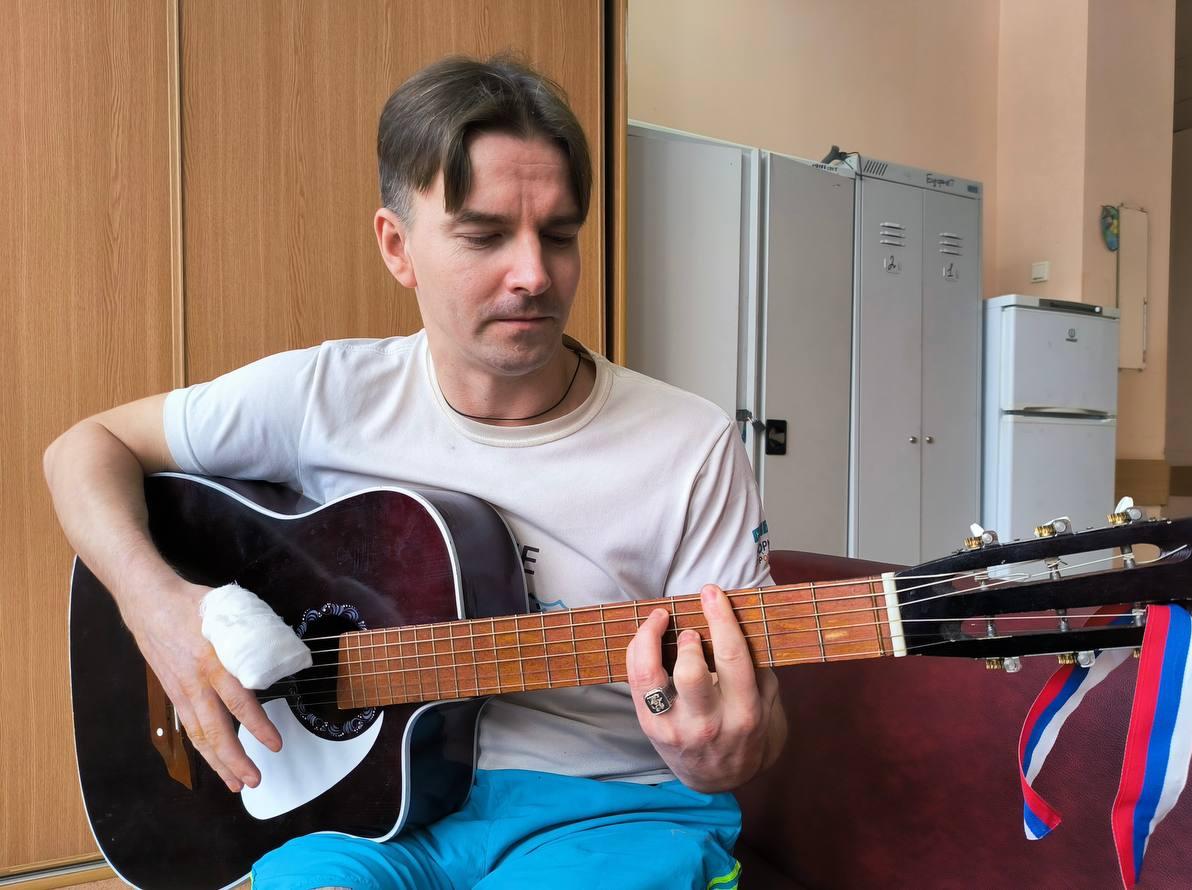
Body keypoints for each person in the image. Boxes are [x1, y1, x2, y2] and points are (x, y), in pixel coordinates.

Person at [44, 54, 785, 890]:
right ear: (397, 247)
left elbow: (754, 725)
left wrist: (723, 754)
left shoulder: (690, 444)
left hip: (615, 811)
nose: (535, 274)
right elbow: (82, 449)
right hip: (368, 816)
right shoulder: (326, 394)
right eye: (485, 235)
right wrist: (158, 611)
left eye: (559, 234)